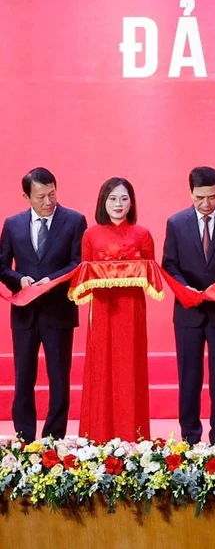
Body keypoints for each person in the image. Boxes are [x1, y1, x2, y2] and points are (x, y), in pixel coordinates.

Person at [161, 166, 215, 445]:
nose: (206, 203)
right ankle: (189, 436)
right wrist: (186, 288)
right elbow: (169, 264)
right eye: (200, 197)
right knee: (189, 377)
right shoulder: (176, 223)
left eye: (211, 196)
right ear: (190, 193)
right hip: (189, 311)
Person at [0, 168, 86, 441]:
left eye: (52, 194)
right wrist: (19, 279)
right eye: (41, 197)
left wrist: (51, 280)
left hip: (58, 311)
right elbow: (2, 266)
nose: (48, 201)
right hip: (25, 312)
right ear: (26, 196)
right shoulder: (12, 224)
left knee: (59, 378)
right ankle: (25, 437)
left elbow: (77, 262)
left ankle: (54, 437)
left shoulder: (74, 221)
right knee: (24, 377)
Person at [77, 178, 155, 441]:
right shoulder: (91, 234)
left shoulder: (142, 234)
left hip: (132, 311)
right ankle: (97, 436)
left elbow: (151, 271)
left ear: (131, 202)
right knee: (101, 369)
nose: (118, 204)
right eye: (112, 198)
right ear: (103, 201)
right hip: (101, 310)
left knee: (129, 368)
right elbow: (84, 273)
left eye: (123, 198)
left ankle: (133, 436)